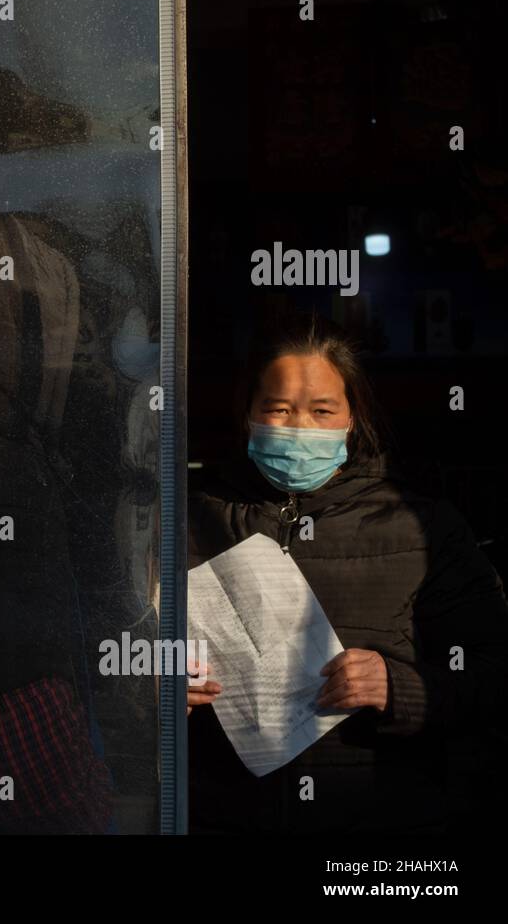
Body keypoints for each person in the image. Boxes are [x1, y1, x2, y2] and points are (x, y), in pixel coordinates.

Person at [187, 312, 508, 832]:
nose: (298, 428)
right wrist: (157, 690)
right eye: (278, 409)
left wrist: (400, 687)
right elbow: (115, 663)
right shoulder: (186, 521)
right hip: (223, 812)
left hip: (377, 821)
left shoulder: (420, 526)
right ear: (247, 412)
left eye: (321, 410)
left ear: (352, 416)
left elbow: (494, 669)